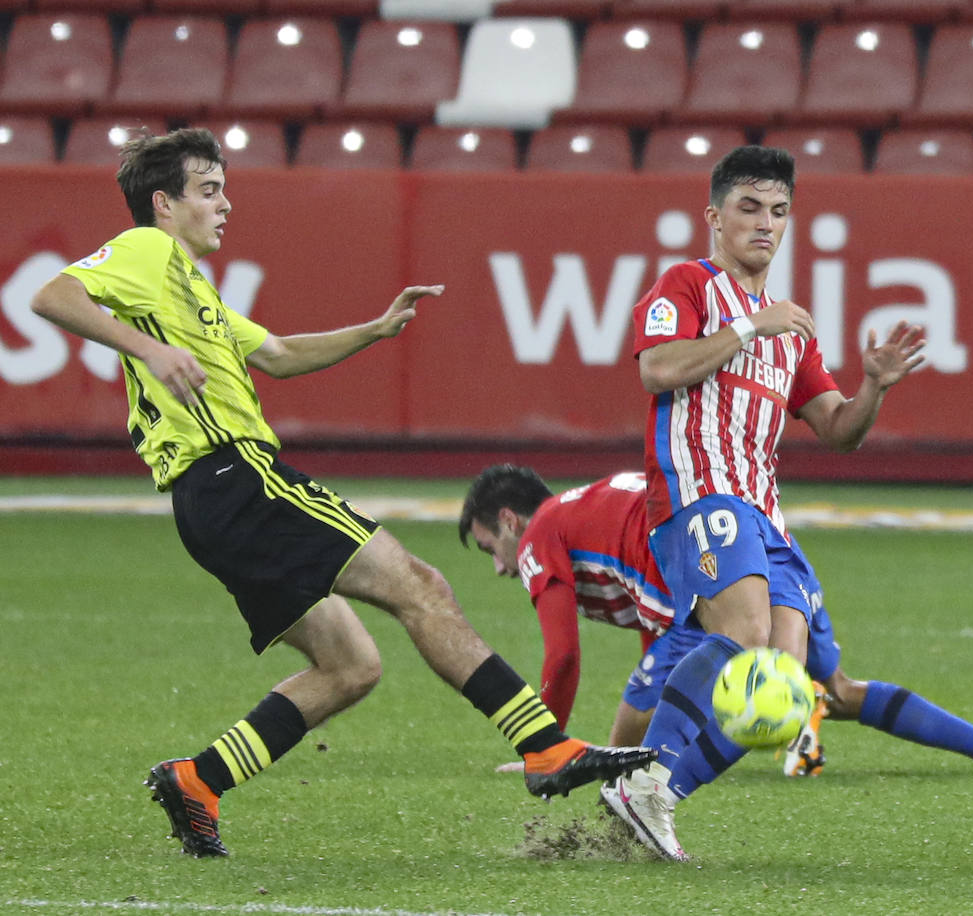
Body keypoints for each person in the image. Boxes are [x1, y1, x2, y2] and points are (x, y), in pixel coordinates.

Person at [29, 127, 652, 859]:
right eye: (209, 191)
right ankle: (545, 747)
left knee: (351, 666)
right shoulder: (149, 250)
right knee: (419, 585)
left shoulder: (189, 286)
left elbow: (282, 356)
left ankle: (199, 781)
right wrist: (148, 349)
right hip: (237, 476)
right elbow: (52, 294)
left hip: (210, 504)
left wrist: (377, 329)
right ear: (163, 204)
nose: (226, 205)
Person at [593, 145, 928, 860]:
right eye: (748, 209)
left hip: (764, 511)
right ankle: (639, 777)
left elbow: (839, 430)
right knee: (745, 639)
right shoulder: (687, 285)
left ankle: (656, 799)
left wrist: (875, 388)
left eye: (778, 212)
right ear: (714, 217)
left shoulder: (789, 331)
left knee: (781, 680)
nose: (765, 225)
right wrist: (750, 327)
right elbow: (657, 369)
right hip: (699, 491)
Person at [458, 462, 973, 785]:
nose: (498, 566)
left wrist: (547, 745)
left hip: (709, 577)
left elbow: (562, 654)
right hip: (770, 548)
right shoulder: (585, 508)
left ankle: (641, 800)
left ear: (509, 520)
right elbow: (647, 613)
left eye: (490, 546)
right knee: (839, 691)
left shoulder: (540, 535)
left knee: (632, 731)